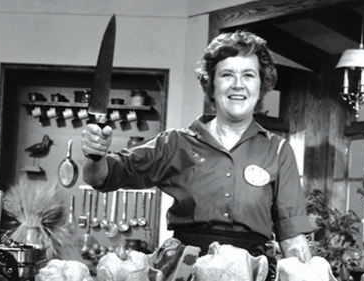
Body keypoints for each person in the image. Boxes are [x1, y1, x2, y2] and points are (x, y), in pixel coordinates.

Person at [81, 30, 314, 280]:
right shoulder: (174, 143)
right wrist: (95, 156)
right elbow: (102, 177)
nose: (238, 84)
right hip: (186, 268)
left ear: (261, 84)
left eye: (248, 75)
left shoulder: (278, 150)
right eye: (226, 75)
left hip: (251, 270)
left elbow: (292, 234)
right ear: (211, 85)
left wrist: (307, 272)